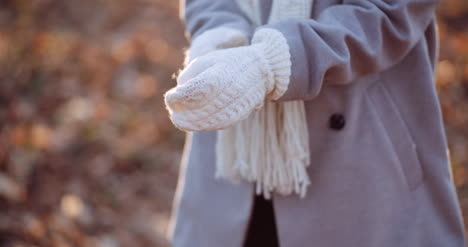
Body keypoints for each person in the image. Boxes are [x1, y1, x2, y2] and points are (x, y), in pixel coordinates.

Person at [164, 0, 467, 246]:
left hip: (362, 153)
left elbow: (389, 12)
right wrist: (217, 32)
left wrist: (275, 61)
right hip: (233, 137)